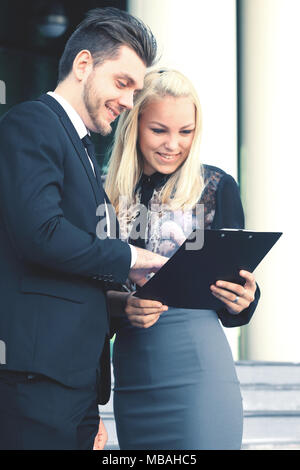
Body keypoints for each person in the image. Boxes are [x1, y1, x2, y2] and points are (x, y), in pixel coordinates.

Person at [0, 8, 168, 450]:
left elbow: (65, 271)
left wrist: (120, 302)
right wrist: (130, 258)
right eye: (122, 83)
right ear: (83, 66)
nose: (130, 101)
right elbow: (41, 234)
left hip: (72, 385)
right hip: (37, 383)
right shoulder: (31, 123)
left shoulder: (81, 147)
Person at [102, 69, 260, 450]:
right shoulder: (100, 188)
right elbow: (83, 288)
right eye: (159, 130)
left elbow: (235, 291)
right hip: (132, 369)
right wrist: (120, 305)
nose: (173, 144)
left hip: (198, 367)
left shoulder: (217, 186)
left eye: (185, 132)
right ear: (133, 126)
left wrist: (245, 299)